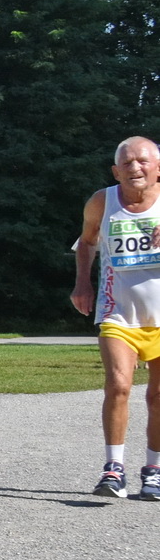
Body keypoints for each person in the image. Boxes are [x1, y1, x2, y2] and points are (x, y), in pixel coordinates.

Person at [71, 136, 160, 502]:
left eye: (142, 161)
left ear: (158, 168)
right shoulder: (101, 201)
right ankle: (114, 468)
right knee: (118, 385)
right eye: (126, 162)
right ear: (115, 170)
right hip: (117, 311)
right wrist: (82, 284)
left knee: (158, 397)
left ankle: (153, 470)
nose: (134, 168)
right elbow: (87, 242)